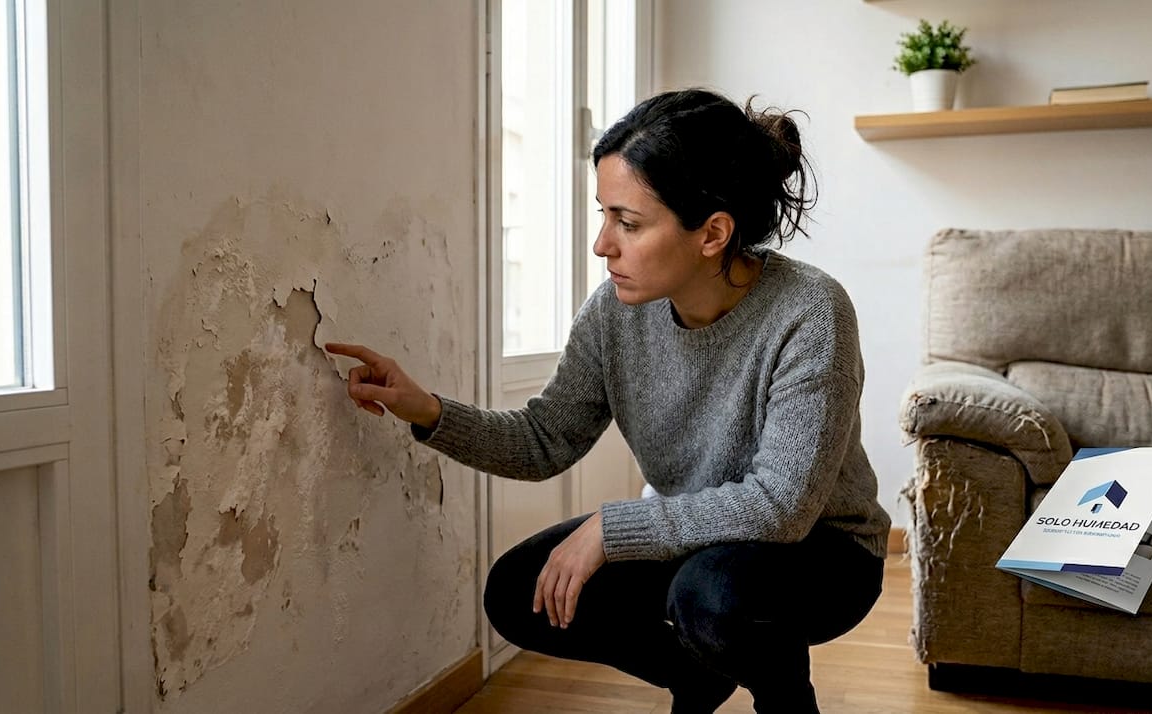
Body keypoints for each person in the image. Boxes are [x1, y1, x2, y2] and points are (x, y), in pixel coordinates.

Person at [326, 88, 890, 714]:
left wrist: (610, 528)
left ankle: (787, 703)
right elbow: (546, 439)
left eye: (628, 222)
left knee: (710, 596)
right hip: (696, 541)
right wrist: (427, 409)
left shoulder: (811, 311)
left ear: (713, 233)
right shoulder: (614, 314)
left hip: (822, 550)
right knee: (519, 591)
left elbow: (781, 506)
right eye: (604, 215)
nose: (602, 244)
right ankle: (696, 675)